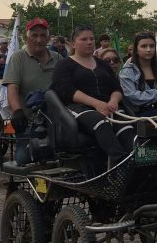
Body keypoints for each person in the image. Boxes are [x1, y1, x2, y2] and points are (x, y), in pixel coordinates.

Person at [51, 26, 135, 168]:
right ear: (73, 43)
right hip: (78, 107)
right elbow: (66, 90)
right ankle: (121, 163)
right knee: (100, 122)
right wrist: (96, 104)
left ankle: (137, 160)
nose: (89, 42)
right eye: (84, 39)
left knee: (125, 126)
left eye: (91, 38)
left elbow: (116, 88)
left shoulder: (103, 64)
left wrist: (114, 100)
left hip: (108, 106)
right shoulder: (64, 64)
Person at [2, 17, 61, 135]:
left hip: (55, 119)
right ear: (26, 38)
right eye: (34, 35)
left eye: (43, 35)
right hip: (28, 121)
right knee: (23, 153)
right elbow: (12, 88)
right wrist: (17, 111)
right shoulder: (18, 57)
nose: (39, 40)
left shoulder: (58, 58)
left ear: (48, 38)